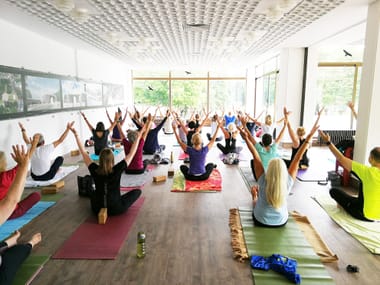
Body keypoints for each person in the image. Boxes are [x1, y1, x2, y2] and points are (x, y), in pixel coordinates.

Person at [239, 108, 320, 227]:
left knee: (255, 199)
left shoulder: (262, 179)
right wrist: (308, 138)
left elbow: (255, 156)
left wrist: (245, 135)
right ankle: (256, 197)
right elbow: (297, 158)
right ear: (283, 171)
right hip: (281, 222)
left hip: (260, 220)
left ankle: (254, 196)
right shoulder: (287, 181)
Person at [70, 126, 142, 216]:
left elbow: (84, 152)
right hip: (116, 208)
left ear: (100, 159)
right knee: (137, 192)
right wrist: (138, 137)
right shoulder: (117, 169)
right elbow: (131, 153)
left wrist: (76, 135)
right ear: (112, 160)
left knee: (92, 191)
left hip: (97, 208)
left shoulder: (95, 169)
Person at [0, 139, 41, 285]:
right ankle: (30, 243)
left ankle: (11, 241)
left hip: (5, 211)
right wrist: (34, 144)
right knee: (14, 256)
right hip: (10, 211)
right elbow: (10, 202)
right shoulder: (8, 175)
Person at [319, 131, 380, 221]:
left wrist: (328, 142)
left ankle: (346, 207)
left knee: (334, 191)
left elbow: (341, 158)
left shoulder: (368, 172)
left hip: (364, 215)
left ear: (371, 158)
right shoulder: (368, 171)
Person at [239, 114, 287, 180]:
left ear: (262, 142)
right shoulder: (274, 149)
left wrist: (244, 126)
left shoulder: (259, 149)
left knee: (253, 161)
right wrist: (285, 124)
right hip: (272, 176)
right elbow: (280, 136)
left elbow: (250, 138)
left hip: (261, 177)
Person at [0, 150, 40, 219]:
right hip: (9, 212)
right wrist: (34, 145)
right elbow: (25, 162)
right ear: (3, 163)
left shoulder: (8, 175)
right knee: (36, 195)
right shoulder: (7, 175)